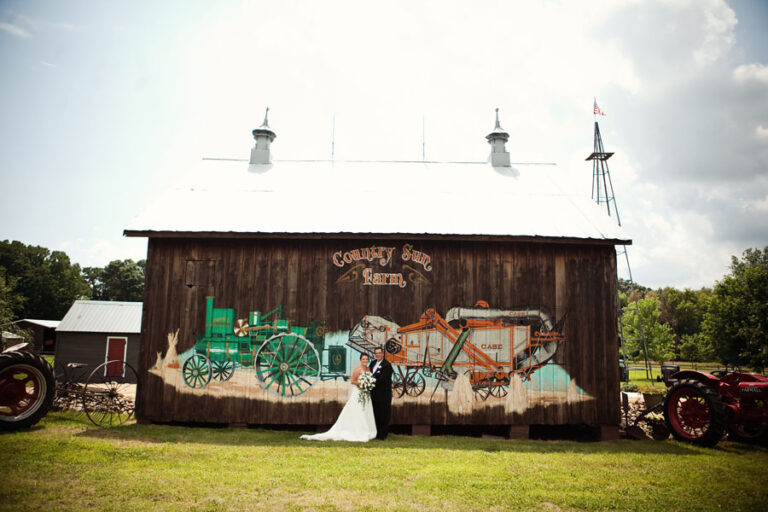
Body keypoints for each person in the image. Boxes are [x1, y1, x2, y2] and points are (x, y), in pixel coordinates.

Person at [300, 353, 377, 442]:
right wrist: (362, 383)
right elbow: (353, 381)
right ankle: (357, 431)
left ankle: (367, 430)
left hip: (366, 393)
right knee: (358, 410)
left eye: (366, 359)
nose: (365, 361)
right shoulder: (358, 369)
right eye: (363, 359)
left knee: (366, 410)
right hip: (358, 392)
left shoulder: (368, 369)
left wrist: (368, 384)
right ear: (360, 360)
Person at [369, 346, 393, 440]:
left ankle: (383, 434)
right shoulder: (373, 363)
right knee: (376, 413)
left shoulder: (387, 365)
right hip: (374, 394)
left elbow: (382, 379)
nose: (378, 354)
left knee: (384, 414)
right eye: (376, 353)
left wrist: (370, 382)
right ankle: (376, 432)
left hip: (383, 394)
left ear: (383, 354)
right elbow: (369, 373)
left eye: (379, 353)